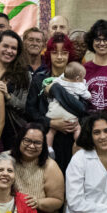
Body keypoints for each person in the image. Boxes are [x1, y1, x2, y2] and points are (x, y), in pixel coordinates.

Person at [25, 32, 80, 173]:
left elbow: (83, 108)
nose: (60, 57)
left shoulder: (77, 81)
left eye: (64, 52)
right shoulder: (39, 80)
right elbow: (30, 111)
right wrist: (51, 123)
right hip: (45, 139)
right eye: (55, 53)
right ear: (49, 54)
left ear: (70, 55)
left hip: (70, 139)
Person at [0, 30, 31, 151]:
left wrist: (8, 96)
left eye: (13, 48)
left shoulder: (24, 75)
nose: (9, 51)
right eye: (5, 46)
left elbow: (24, 106)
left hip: (12, 131)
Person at [43, 61, 89, 147]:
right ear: (78, 78)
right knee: (77, 128)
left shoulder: (58, 81)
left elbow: (49, 86)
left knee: (51, 132)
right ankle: (78, 144)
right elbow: (87, 97)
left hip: (53, 113)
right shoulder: (79, 85)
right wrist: (89, 95)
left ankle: (49, 148)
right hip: (69, 116)